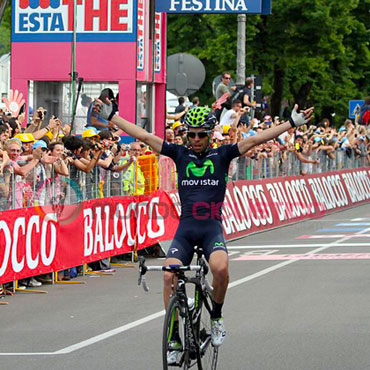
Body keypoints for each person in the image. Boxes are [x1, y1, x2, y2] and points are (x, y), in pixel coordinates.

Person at [94, 97, 313, 357]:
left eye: (201, 135)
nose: (195, 139)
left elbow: (255, 140)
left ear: (210, 135)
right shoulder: (179, 153)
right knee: (168, 276)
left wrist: (289, 124)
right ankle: (174, 338)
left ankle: (217, 317)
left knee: (220, 269)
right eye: (191, 134)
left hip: (211, 228)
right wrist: (113, 118)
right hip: (185, 230)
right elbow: (144, 135)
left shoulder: (222, 154)